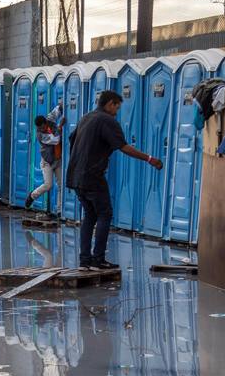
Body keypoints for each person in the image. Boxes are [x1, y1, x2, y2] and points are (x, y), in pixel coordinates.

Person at [66, 90, 163, 269]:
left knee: (89, 215)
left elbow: (71, 140)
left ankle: (85, 260)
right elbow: (123, 147)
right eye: (116, 108)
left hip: (76, 175)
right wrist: (150, 159)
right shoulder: (107, 120)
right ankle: (98, 259)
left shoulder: (86, 117)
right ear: (110, 104)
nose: (117, 112)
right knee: (105, 214)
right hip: (92, 176)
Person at [25, 102, 64, 210]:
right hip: (47, 162)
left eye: (42, 127)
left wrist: (63, 104)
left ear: (45, 123)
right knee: (48, 185)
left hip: (58, 159)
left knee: (61, 185)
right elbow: (56, 140)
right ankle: (32, 195)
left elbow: (56, 111)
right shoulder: (40, 135)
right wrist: (60, 127)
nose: (41, 129)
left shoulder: (49, 119)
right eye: (39, 128)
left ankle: (59, 210)